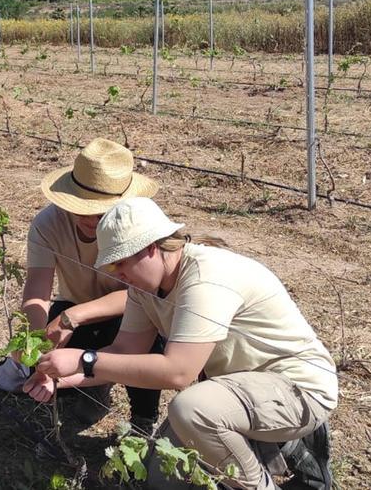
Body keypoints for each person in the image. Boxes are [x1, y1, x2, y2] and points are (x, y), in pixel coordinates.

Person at [25, 197, 337, 490]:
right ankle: (282, 446)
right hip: (235, 391)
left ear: (149, 248)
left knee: (190, 410)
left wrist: (85, 359)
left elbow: (178, 372)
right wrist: (59, 376)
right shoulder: (144, 288)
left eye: (120, 263)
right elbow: (124, 353)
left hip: (297, 389)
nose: (117, 274)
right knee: (161, 477)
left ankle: (268, 470)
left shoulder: (205, 277)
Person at [0, 138, 163, 431]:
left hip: (128, 310)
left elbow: (144, 293)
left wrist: (72, 317)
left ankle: (143, 421)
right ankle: (90, 389)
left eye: (98, 212)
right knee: (49, 364)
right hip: (75, 311)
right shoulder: (48, 224)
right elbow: (37, 289)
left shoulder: (139, 224)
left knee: (147, 344)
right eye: (80, 207)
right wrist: (37, 339)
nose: (87, 218)